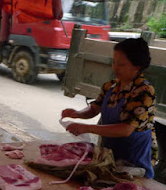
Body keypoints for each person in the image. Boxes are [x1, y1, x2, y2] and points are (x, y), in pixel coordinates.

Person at [62, 38, 157, 178]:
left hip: (134, 162)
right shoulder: (110, 86)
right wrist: (77, 114)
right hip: (109, 155)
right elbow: (94, 109)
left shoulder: (144, 91)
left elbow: (126, 129)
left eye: (121, 64)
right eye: (114, 62)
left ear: (137, 66)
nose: (115, 68)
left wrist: (87, 128)